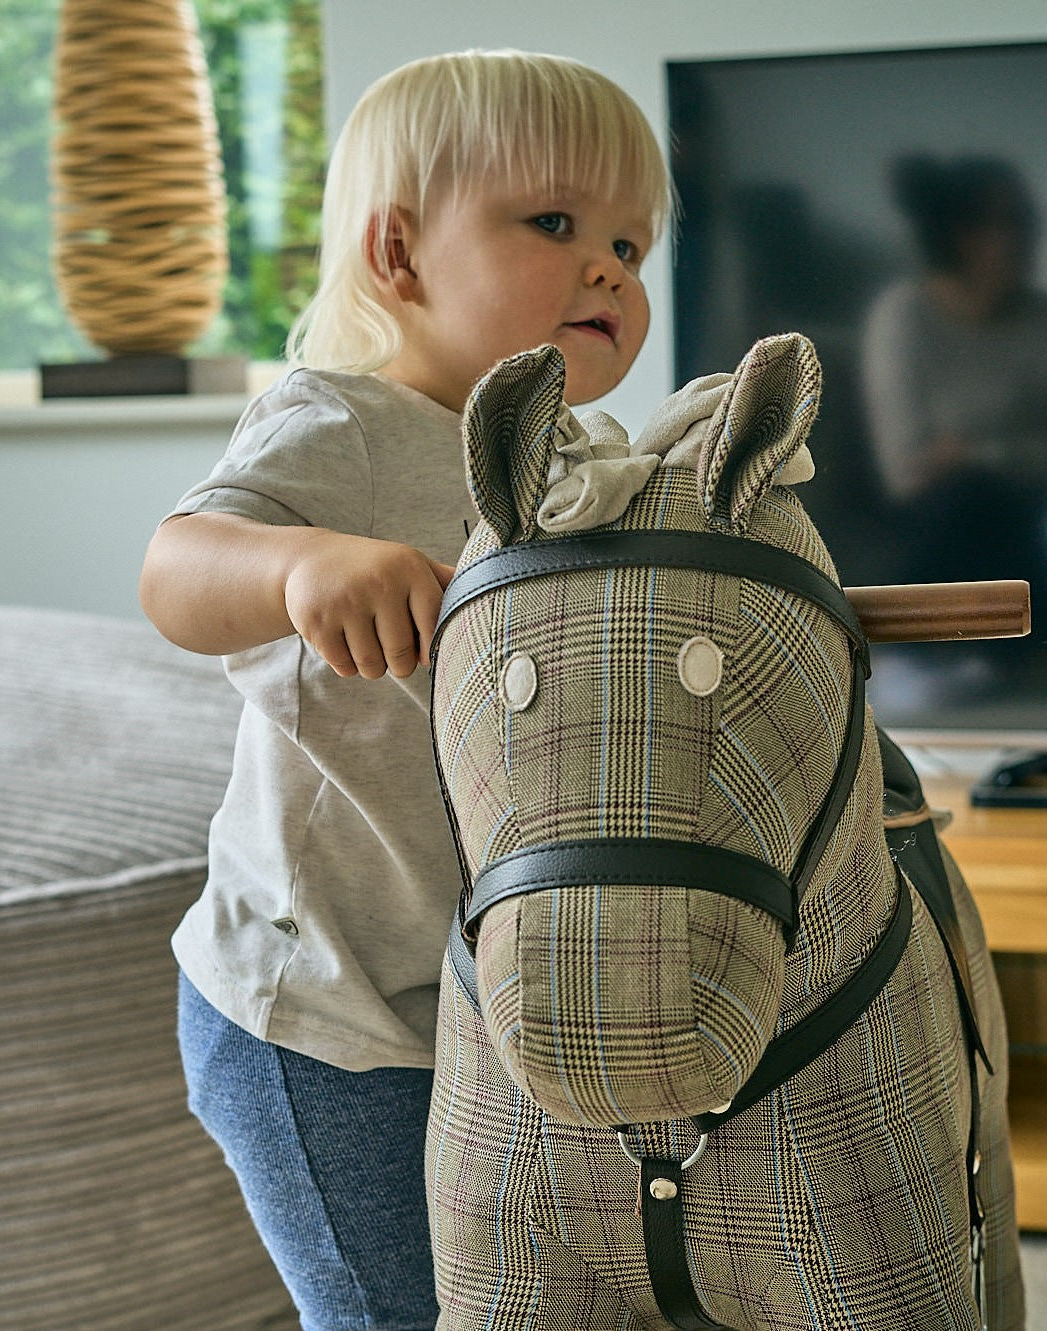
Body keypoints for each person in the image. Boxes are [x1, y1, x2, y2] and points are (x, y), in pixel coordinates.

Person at [138, 50, 670, 1331]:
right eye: (555, 223)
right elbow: (174, 567)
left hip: (503, 1004)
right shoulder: (347, 427)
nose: (608, 267)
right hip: (329, 1012)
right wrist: (304, 561)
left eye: (630, 245)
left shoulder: (593, 466)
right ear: (397, 254)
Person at [861, 153, 1047, 590]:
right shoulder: (903, 317)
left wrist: (972, 453)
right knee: (962, 505)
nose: (1031, 236)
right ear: (962, 235)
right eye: (1012, 222)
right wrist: (1016, 454)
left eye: (1031, 221)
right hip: (945, 518)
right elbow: (906, 474)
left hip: (1039, 510)